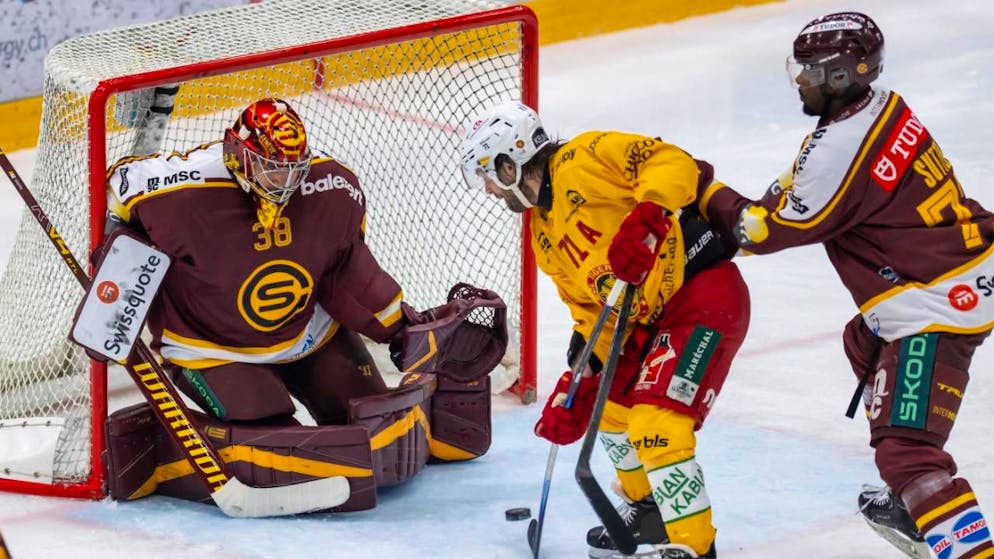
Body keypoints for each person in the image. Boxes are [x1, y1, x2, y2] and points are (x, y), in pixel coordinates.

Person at [94, 98, 506, 512]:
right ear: (239, 154)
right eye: (273, 168)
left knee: (373, 421)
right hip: (209, 349)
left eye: (294, 168)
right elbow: (118, 185)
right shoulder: (179, 188)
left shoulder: (331, 185)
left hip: (307, 335)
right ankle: (165, 455)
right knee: (272, 432)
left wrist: (401, 328)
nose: (284, 181)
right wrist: (119, 259)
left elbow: (346, 271)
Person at [696, 12, 994, 559]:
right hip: (958, 267)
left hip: (934, 305)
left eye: (810, 72)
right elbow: (803, 186)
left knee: (905, 456)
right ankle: (916, 488)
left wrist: (706, 193)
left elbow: (767, 231)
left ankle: (934, 506)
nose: (799, 82)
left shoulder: (841, 147)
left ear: (841, 75)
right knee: (864, 341)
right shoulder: (881, 105)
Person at [459, 101, 751, 559]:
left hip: (700, 294)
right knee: (610, 412)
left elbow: (673, 163)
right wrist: (579, 383)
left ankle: (695, 549)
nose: (490, 190)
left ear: (509, 160)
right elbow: (591, 316)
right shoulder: (542, 231)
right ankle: (649, 511)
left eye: (489, 176)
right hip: (643, 322)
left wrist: (648, 216)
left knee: (657, 425)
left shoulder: (586, 157)